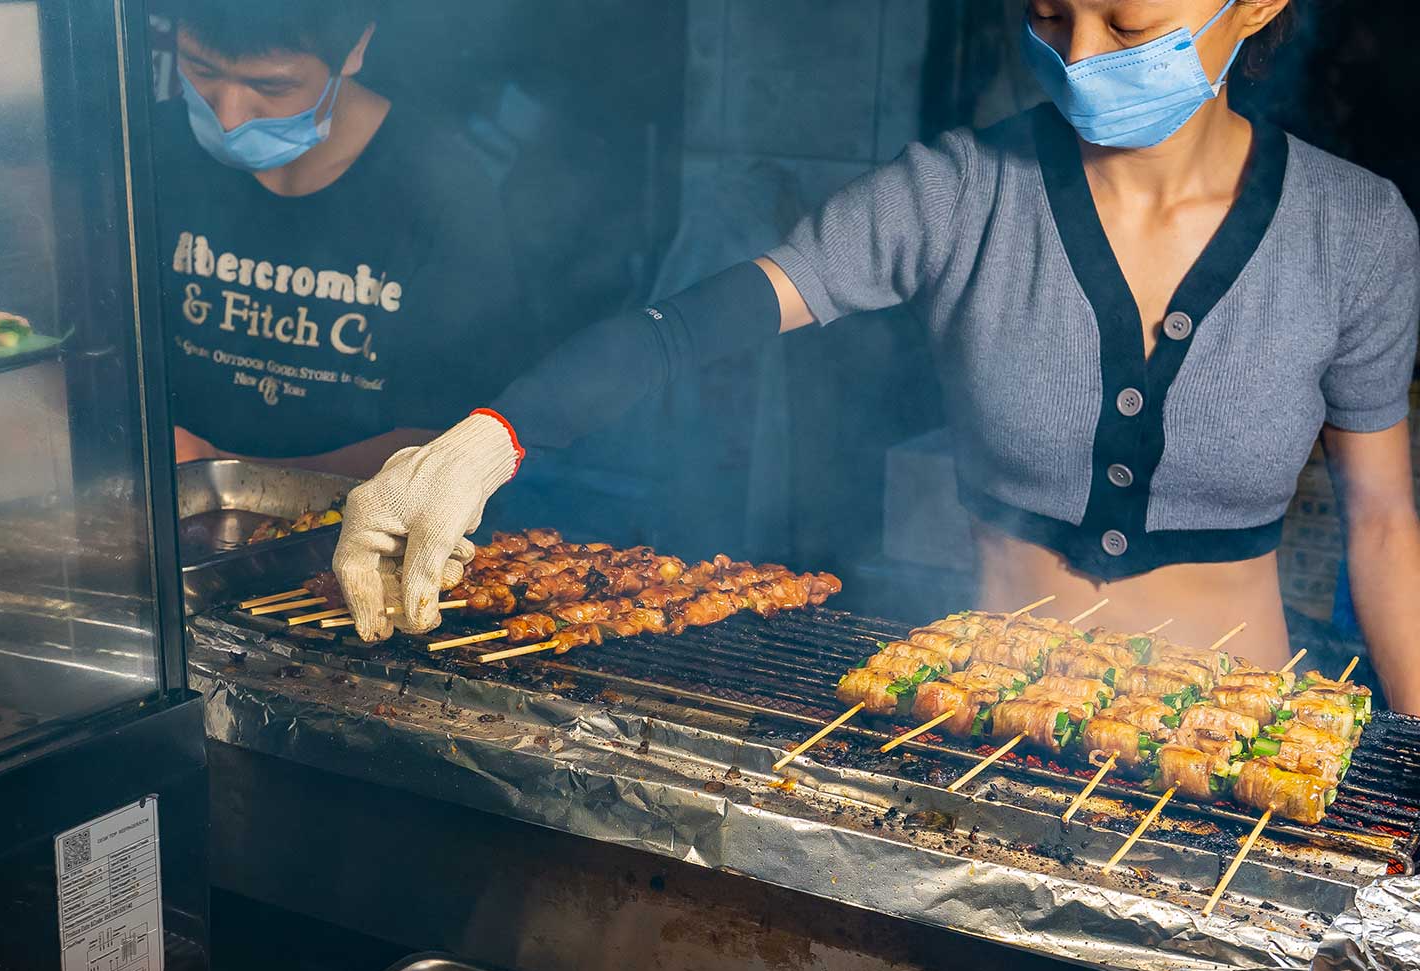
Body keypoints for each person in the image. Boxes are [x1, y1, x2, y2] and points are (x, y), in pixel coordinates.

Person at [331, 0, 1420, 712]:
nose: (1079, 57)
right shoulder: (952, 194)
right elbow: (696, 324)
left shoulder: (1355, 233)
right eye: (1051, 15)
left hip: (1235, 731)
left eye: (1127, 25)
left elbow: (1379, 523)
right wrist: (489, 437)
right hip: (984, 718)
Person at [154, 0, 523, 482]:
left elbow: (458, 434)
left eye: (272, 86)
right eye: (202, 71)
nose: (229, 117)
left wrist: (232, 476)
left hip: (360, 522)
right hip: (165, 509)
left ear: (354, 49)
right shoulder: (147, 149)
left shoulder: (440, 188)